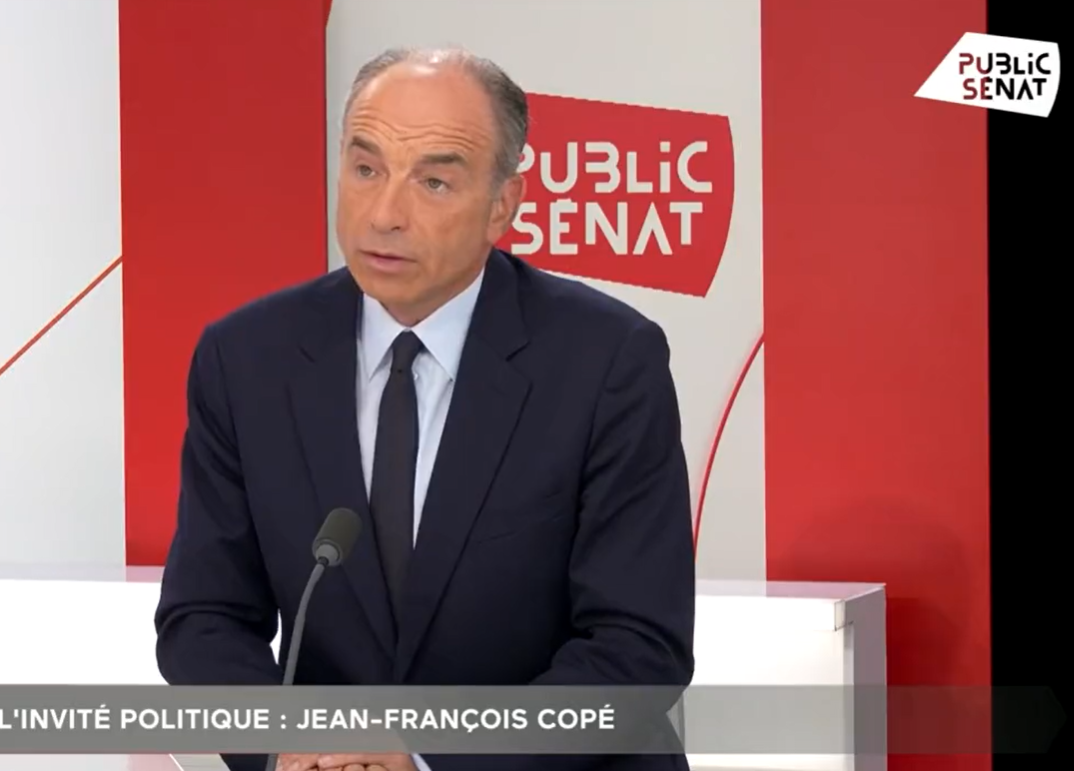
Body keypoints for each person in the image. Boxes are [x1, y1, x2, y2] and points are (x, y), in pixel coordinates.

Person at [155, 46, 695, 771]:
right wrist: (287, 745)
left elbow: (636, 646)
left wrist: (426, 757)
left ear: (502, 204)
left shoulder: (606, 361)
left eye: (434, 181)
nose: (384, 214)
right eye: (365, 168)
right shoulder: (246, 358)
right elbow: (203, 618)